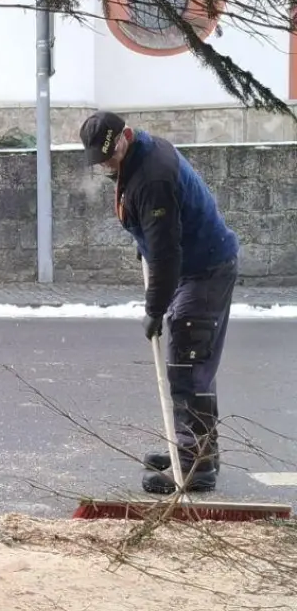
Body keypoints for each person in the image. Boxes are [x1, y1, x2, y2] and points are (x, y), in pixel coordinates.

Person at [79, 111, 239, 494]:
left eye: (110, 155)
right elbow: (161, 231)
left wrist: (154, 310)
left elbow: (167, 253)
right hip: (196, 264)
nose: (107, 164)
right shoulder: (140, 156)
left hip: (203, 270)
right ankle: (195, 451)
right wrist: (145, 241)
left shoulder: (153, 176)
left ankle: (196, 466)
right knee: (194, 364)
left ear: (126, 135)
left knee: (188, 364)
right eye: (100, 159)